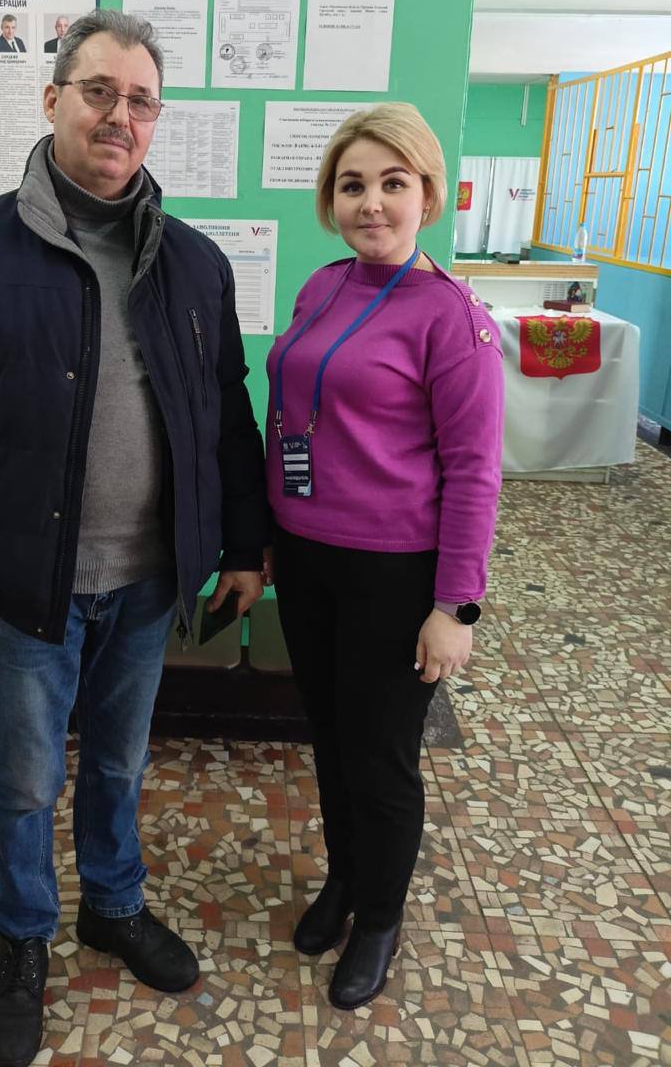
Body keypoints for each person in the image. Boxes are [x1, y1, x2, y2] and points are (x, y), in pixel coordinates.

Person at [0, 8, 269, 1067]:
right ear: (52, 100)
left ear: (156, 119)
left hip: (150, 579)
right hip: (26, 581)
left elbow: (227, 416)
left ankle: (113, 904)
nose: (119, 115)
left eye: (141, 100)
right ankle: (26, 932)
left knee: (121, 764)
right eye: (98, 91)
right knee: (27, 778)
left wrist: (242, 545)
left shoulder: (196, 263)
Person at [264, 103, 503, 1011]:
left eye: (392, 183)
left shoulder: (453, 318)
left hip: (395, 575)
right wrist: (272, 534)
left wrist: (456, 607)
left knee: (382, 755)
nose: (371, 203)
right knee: (330, 737)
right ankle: (346, 878)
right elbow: (292, 419)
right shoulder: (321, 286)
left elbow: (475, 470)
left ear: (427, 195)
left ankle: (380, 918)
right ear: (331, 199)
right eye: (353, 184)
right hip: (308, 559)